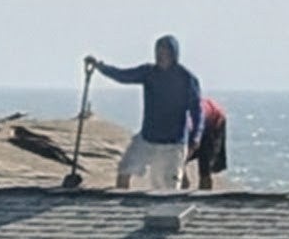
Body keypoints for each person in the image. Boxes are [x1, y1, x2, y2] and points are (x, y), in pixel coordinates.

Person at [84, 35, 201, 191]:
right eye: (159, 52)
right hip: (147, 138)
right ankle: (121, 206)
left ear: (174, 55)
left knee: (169, 188)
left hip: (173, 144)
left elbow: (196, 111)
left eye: (166, 53)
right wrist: (100, 67)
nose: (161, 56)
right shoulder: (149, 73)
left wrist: (196, 136)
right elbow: (123, 76)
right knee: (124, 171)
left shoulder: (186, 79)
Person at [189, 95, 229, 191]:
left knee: (205, 166)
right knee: (178, 165)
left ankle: (205, 196)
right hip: (201, 118)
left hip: (214, 121)